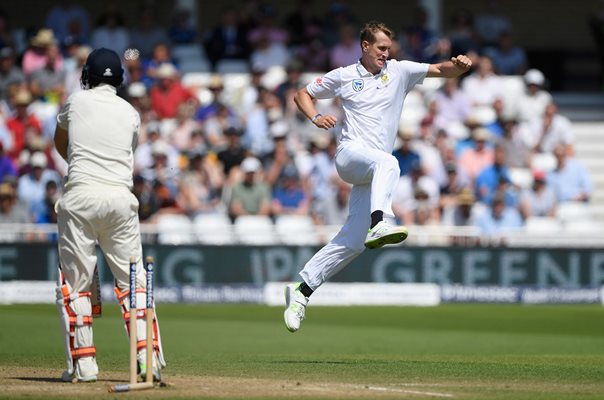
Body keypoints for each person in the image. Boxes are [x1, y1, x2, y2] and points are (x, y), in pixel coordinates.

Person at [285, 21, 472, 332]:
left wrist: (460, 66)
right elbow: (302, 94)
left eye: (389, 48)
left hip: (372, 172)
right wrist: (316, 116)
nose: (386, 53)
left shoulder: (400, 71)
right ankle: (381, 221)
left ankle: (301, 291)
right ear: (365, 47)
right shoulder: (344, 75)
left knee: (352, 243)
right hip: (350, 156)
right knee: (389, 162)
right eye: (381, 48)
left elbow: (442, 70)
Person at [53, 48, 166, 382]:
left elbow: (61, 141)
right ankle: (148, 361)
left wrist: (76, 162)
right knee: (134, 282)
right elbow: (125, 149)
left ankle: (84, 366)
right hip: (120, 200)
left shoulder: (74, 102)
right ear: (119, 78)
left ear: (86, 75)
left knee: (76, 285)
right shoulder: (131, 112)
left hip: (81, 197)